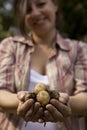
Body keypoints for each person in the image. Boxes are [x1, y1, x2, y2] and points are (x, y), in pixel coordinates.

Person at [0, 0, 87, 130]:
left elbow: (84, 96)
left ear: (55, 5)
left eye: (41, 4)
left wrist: (63, 103)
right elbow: (2, 92)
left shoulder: (79, 49)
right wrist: (25, 101)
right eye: (28, 10)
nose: (35, 13)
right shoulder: (10, 46)